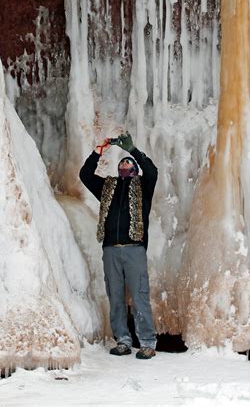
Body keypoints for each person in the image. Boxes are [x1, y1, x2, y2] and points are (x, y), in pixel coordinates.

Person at [79, 131, 158, 359]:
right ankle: (122, 340)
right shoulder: (107, 188)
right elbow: (85, 175)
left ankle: (147, 342)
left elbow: (152, 171)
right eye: (122, 162)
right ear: (118, 169)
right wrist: (99, 150)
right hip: (111, 249)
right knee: (115, 296)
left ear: (134, 169)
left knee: (139, 295)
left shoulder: (143, 186)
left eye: (128, 163)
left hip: (134, 249)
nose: (125, 164)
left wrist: (131, 150)